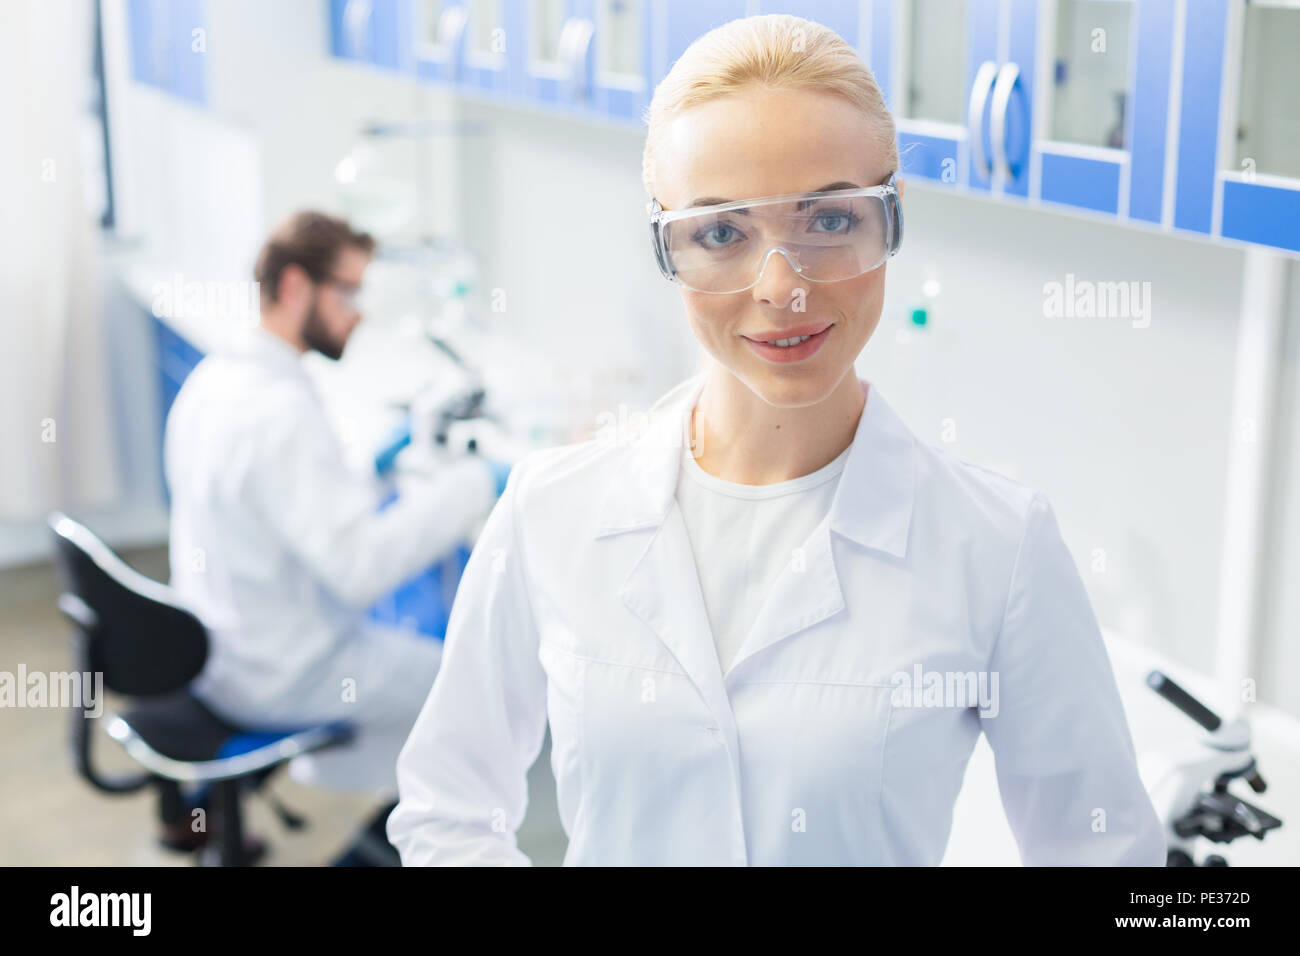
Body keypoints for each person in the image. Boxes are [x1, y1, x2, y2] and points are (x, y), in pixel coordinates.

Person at [388, 15, 1166, 866]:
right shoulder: (551, 510)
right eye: (721, 234)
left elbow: (1106, 857)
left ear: (891, 221)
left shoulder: (997, 546)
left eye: (829, 221)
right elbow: (446, 812)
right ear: (665, 245)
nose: (782, 288)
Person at [164, 211, 503, 864]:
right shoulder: (281, 411)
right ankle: (375, 854)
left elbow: (270, 507)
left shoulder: (219, 381)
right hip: (288, 669)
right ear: (296, 287)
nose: (358, 314)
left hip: (219, 649)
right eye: (347, 294)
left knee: (447, 695)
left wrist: (367, 471)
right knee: (477, 697)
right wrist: (475, 483)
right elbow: (360, 570)